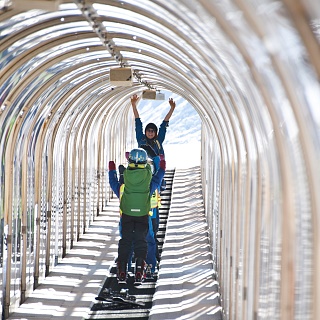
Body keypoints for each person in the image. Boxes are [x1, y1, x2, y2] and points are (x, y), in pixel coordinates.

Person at [108, 148, 166, 283]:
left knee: (126, 241)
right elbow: (158, 179)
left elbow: (113, 183)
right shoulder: (148, 182)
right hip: (142, 215)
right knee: (141, 241)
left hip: (126, 215)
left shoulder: (125, 182)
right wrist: (162, 166)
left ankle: (122, 269)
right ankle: (140, 269)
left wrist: (111, 170)